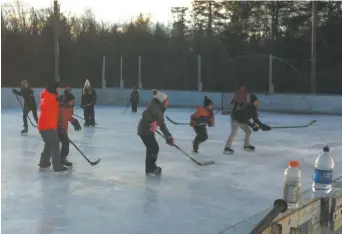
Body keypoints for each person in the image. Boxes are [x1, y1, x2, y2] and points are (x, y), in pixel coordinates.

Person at [137, 89, 174, 176]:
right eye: (166, 101)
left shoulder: (157, 107)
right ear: (162, 101)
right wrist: (168, 136)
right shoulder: (156, 108)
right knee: (153, 148)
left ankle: (150, 168)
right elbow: (161, 124)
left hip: (145, 130)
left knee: (152, 148)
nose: (167, 103)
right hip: (145, 131)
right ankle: (151, 168)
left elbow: (159, 122)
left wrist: (153, 123)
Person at [38, 79, 68, 172]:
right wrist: (57, 99)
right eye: (58, 87)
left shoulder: (51, 96)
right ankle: (57, 166)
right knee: (54, 144)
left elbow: (56, 111)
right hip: (48, 126)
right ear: (53, 87)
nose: (59, 89)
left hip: (46, 125)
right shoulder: (49, 97)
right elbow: (48, 103)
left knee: (49, 143)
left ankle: (44, 162)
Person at [58, 86, 82, 167]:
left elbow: (69, 117)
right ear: (68, 101)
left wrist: (74, 122)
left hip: (63, 129)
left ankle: (62, 158)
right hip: (58, 129)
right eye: (72, 101)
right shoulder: (60, 108)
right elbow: (55, 118)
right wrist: (59, 126)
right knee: (59, 144)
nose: (73, 102)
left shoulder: (68, 108)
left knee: (64, 144)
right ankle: (59, 158)